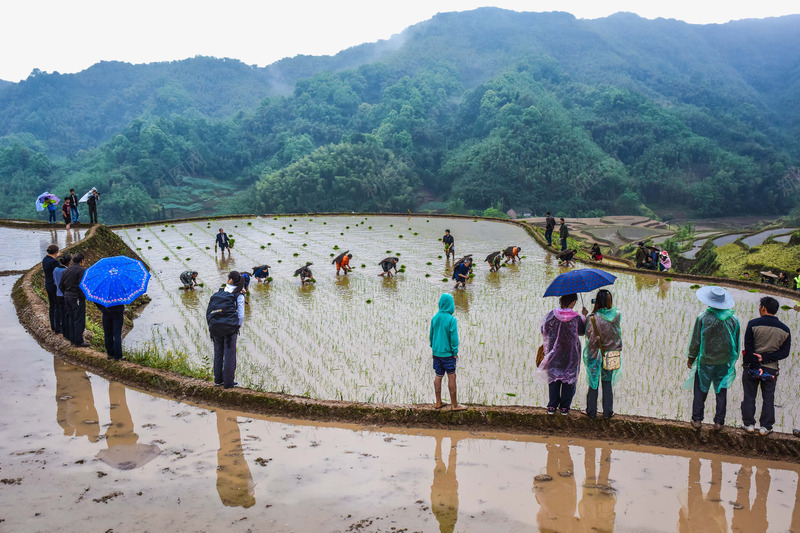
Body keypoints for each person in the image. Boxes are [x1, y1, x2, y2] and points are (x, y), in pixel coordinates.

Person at [685, 286, 740, 430]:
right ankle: (719, 422)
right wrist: (732, 360)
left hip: (705, 361)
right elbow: (736, 342)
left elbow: (696, 340)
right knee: (721, 390)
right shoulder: (733, 319)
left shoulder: (703, 317)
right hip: (724, 362)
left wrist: (691, 358)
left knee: (700, 390)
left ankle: (697, 420)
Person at [740, 296, 791, 436]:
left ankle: (749, 424)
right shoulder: (785, 330)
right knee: (768, 397)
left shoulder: (753, 324)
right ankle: (765, 427)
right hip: (771, 369)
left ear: (763, 308)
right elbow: (784, 352)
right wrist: (767, 358)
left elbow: (748, 347)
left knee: (749, 395)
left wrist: (757, 362)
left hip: (751, 366)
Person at [537, 293, 587, 415]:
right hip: (570, 354)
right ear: (573, 302)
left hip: (554, 352)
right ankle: (564, 407)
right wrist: (584, 316)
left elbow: (544, 328)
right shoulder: (576, 317)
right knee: (568, 378)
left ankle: (552, 407)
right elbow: (581, 332)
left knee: (554, 377)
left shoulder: (551, 314)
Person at [582, 290, 622, 419]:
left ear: (597, 302)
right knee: (607, 383)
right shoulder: (616, 315)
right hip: (611, 354)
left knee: (593, 383)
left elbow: (590, 338)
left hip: (594, 354)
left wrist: (585, 316)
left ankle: (591, 411)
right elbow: (616, 335)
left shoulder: (592, 318)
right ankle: (607, 412)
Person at [208, 271, 245, 388]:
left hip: (215, 327)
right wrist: (236, 327)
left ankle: (218, 381)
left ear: (229, 279)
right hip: (229, 329)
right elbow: (241, 316)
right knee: (229, 355)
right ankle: (228, 383)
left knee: (218, 353)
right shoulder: (238, 295)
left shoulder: (220, 292)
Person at [429, 293, 466, 411]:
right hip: (448, 354)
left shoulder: (435, 318)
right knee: (452, 376)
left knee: (438, 376)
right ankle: (454, 405)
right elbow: (454, 338)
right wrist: (455, 351)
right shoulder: (451, 319)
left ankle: (438, 402)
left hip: (436, 353)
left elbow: (431, 335)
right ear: (451, 305)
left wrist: (433, 347)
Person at [59, 251, 89, 347]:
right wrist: (82, 297)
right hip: (76, 297)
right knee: (79, 319)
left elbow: (61, 285)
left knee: (71, 318)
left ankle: (72, 339)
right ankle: (78, 341)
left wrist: (66, 293)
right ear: (82, 261)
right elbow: (82, 286)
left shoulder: (67, 270)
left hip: (67, 296)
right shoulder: (81, 270)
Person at [42, 244, 60, 333]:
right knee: (57, 306)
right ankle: (57, 327)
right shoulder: (54, 262)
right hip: (54, 285)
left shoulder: (45, 260)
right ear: (56, 252)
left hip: (48, 284)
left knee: (52, 306)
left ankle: (53, 325)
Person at [52, 254, 70, 335]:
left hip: (58, 293)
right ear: (68, 262)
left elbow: (55, 282)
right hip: (64, 294)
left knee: (58, 310)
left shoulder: (55, 269)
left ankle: (57, 327)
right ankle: (65, 330)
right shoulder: (66, 271)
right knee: (65, 313)